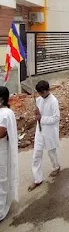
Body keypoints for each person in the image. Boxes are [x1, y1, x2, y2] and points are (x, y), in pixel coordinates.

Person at [28, 81, 61, 192]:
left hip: (50, 131)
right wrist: (36, 114)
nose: (41, 95)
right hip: (40, 131)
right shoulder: (38, 100)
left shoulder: (54, 101)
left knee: (51, 151)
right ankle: (37, 179)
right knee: (37, 153)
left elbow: (56, 118)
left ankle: (56, 167)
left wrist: (41, 118)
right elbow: (38, 114)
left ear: (48, 90)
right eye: (39, 93)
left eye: (42, 92)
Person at [0, 87, 18, 221]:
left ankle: (1, 209)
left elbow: (1, 133)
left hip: (2, 150)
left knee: (2, 180)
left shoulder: (5, 113)